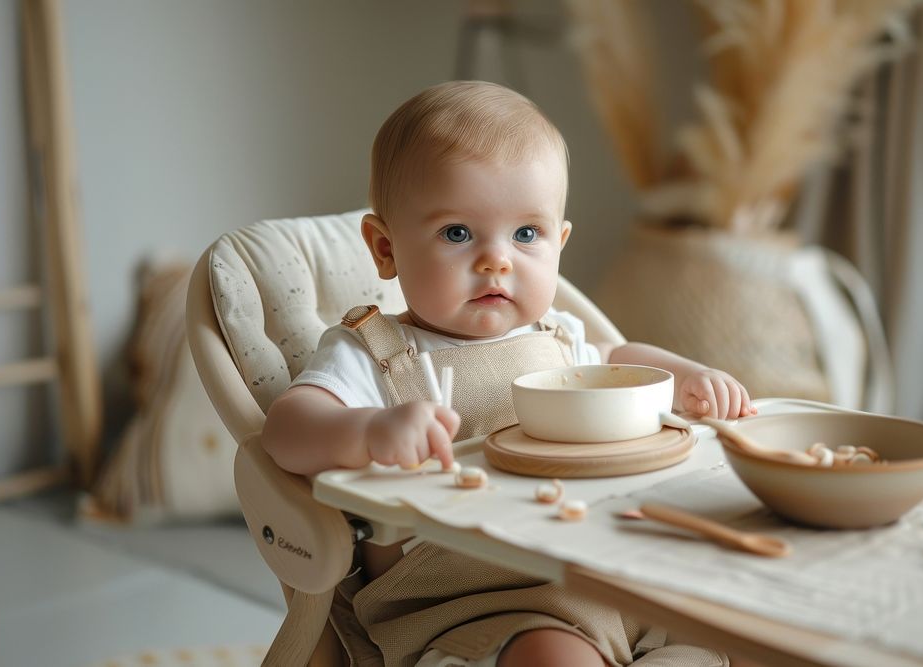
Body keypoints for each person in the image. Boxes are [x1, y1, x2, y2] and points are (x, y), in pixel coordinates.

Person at [263, 81, 751, 667]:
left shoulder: (559, 339)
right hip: (472, 599)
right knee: (553, 655)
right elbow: (286, 430)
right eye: (457, 233)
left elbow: (620, 360)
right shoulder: (375, 352)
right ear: (386, 248)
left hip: (598, 570)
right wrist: (369, 431)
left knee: (747, 625)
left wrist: (688, 376)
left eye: (526, 234)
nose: (497, 259)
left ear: (558, 243)